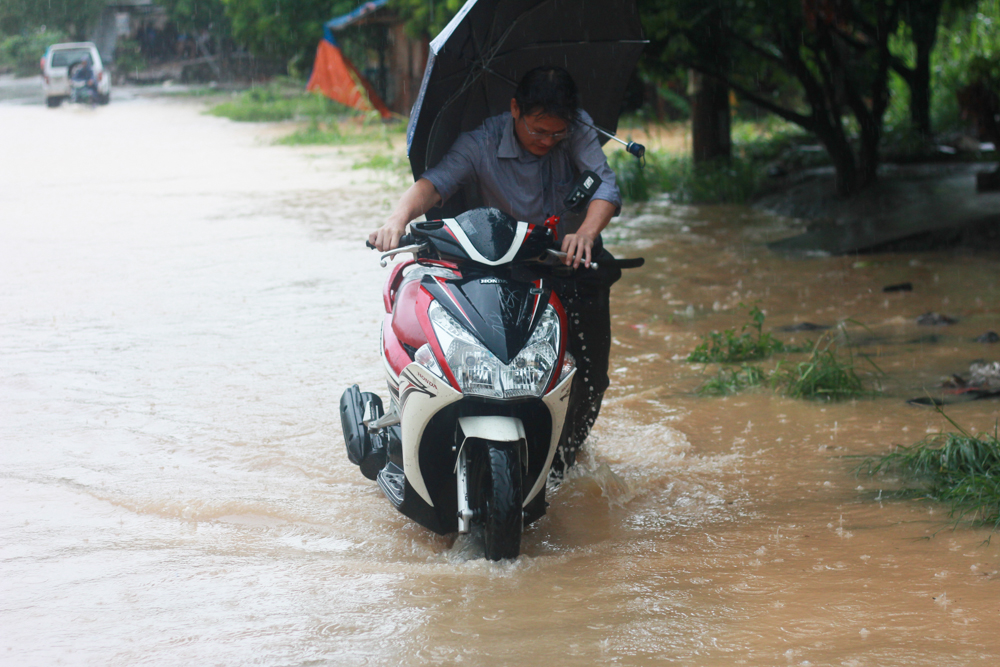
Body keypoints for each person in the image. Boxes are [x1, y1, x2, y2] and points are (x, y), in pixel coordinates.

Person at [369, 66, 622, 475]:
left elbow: (605, 186)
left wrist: (587, 233)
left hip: (569, 261)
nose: (547, 141)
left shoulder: (576, 130)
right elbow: (434, 185)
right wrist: (397, 220)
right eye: (538, 130)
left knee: (590, 374)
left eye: (556, 134)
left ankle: (562, 460)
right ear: (515, 110)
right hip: (503, 267)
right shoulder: (481, 141)